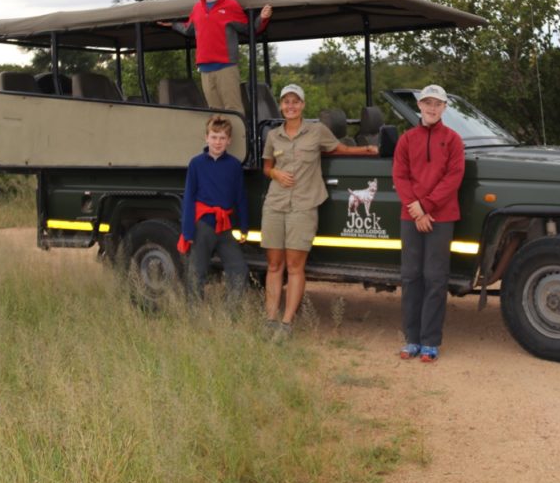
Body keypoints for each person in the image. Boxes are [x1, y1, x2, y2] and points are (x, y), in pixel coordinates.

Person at [261, 84, 378, 338]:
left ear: (303, 105)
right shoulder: (273, 136)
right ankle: (269, 319)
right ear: (281, 106)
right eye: (286, 102)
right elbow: (267, 167)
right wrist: (275, 173)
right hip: (275, 203)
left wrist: (366, 150)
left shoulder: (316, 131)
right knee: (273, 265)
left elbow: (339, 149)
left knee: (294, 266)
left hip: (303, 205)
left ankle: (286, 323)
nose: (290, 106)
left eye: (295, 101)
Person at [392, 84, 465, 363]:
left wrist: (426, 206)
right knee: (411, 276)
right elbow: (400, 175)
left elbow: (453, 177)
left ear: (444, 108)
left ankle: (430, 341)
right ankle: (411, 339)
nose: (432, 108)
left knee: (435, 277)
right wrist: (416, 210)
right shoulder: (407, 139)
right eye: (427, 103)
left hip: (441, 216)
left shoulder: (454, 140)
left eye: (437, 104)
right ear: (419, 106)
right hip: (411, 216)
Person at [159, 0, 272, 114]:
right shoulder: (197, 8)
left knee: (234, 112)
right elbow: (188, 29)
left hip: (226, 67)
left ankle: (240, 138)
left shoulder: (231, 5)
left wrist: (262, 18)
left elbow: (249, 29)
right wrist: (172, 25)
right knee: (215, 113)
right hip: (205, 69)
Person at [178, 114, 249, 308]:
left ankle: (229, 313)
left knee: (239, 270)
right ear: (206, 138)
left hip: (224, 227)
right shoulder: (196, 164)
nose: (218, 142)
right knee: (197, 271)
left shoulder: (234, 165)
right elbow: (189, 198)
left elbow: (240, 197)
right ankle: (195, 314)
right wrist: (187, 231)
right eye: (214, 137)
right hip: (203, 225)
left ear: (229, 140)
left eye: (222, 138)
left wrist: (244, 226)